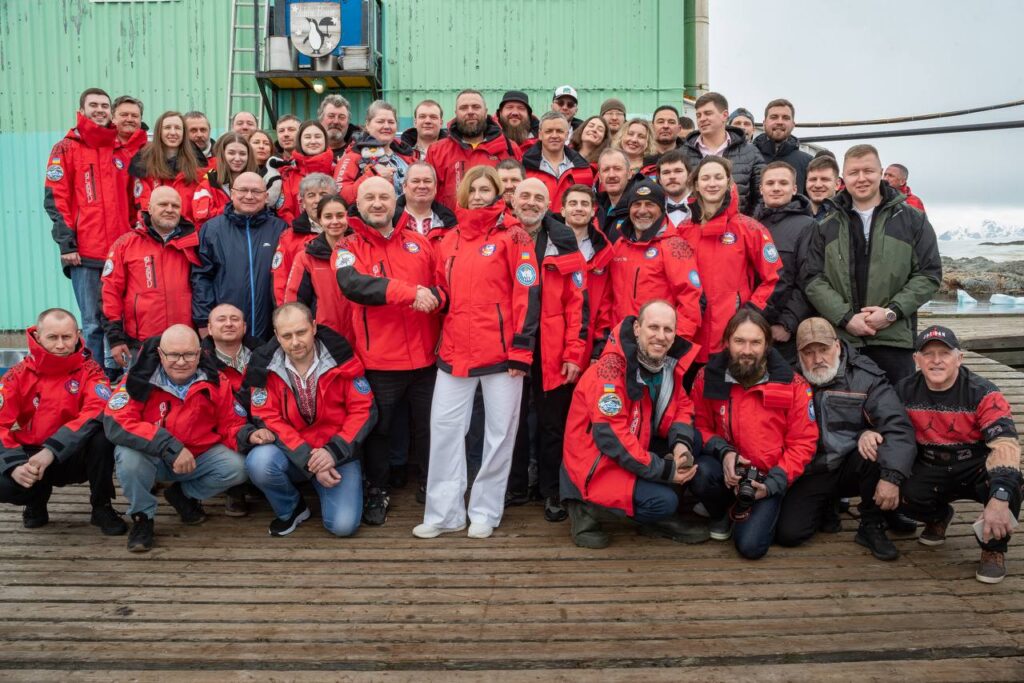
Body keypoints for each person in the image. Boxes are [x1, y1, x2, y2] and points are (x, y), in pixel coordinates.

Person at [413, 166, 540, 540]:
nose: (480, 196)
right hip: (455, 350)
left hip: (501, 353)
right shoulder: (449, 239)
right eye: (474, 189)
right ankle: (444, 513)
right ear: (463, 195)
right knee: (445, 430)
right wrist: (433, 298)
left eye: (487, 189)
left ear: (498, 193)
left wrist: (522, 348)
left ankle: (485, 510)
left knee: (499, 434)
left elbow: (527, 292)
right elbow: (444, 289)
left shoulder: (514, 236)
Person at [336, 178, 442, 525]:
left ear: (395, 201)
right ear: (358, 204)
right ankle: (377, 489)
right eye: (369, 197)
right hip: (379, 361)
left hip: (425, 358)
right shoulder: (347, 246)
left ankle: (430, 483)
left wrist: (437, 297)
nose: (378, 203)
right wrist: (408, 292)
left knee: (429, 428)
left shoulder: (419, 243)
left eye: (384, 196)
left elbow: (441, 285)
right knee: (379, 431)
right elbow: (352, 284)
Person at [561, 302, 707, 548]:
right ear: (637, 329)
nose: (661, 336)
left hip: (634, 445)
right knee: (664, 501)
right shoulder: (609, 370)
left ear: (675, 334)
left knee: (695, 442)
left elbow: (683, 407)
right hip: (596, 462)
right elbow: (611, 438)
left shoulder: (665, 364)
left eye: (668, 330)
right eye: (653, 327)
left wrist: (681, 446)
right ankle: (584, 508)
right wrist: (664, 470)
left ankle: (654, 516)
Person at [775, 318, 917, 559]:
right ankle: (826, 506)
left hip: (851, 465)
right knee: (789, 534)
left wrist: (891, 477)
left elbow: (898, 427)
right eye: (808, 352)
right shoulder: (786, 378)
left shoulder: (866, 377)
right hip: (810, 470)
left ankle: (872, 524)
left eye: (823, 349)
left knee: (876, 445)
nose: (817, 359)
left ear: (838, 346)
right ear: (798, 355)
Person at [104, 325, 253, 552]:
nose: (181, 362)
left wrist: (249, 435)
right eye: (173, 355)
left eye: (189, 354)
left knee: (239, 467)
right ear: (160, 353)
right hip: (153, 458)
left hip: (195, 458)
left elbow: (231, 423)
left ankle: (182, 494)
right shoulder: (139, 378)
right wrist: (169, 446)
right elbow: (116, 422)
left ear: (199, 353)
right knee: (128, 456)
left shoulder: (216, 380)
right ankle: (143, 517)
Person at [804, 144, 941, 384]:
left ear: (880, 172)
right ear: (843, 178)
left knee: (896, 405)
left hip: (894, 341)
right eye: (853, 172)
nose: (861, 178)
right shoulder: (826, 226)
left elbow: (929, 274)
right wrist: (846, 318)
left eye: (868, 171)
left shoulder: (912, 220)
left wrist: (891, 312)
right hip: (843, 340)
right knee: (844, 405)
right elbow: (813, 278)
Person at [896, 326, 1022, 584]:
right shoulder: (903, 390)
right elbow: (884, 423)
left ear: (959, 358)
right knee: (896, 490)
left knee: (1010, 484)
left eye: (944, 353)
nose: (936, 360)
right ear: (916, 359)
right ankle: (938, 516)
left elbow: (1005, 445)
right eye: (928, 354)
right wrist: (870, 432)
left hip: (975, 464)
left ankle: (993, 549)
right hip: (930, 462)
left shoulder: (984, 392)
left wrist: (999, 496)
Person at [689, 309, 818, 559]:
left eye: (755, 342)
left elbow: (803, 443)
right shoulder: (708, 376)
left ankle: (753, 510)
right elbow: (698, 426)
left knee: (751, 547)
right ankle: (721, 512)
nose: (747, 350)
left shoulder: (793, 385)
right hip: (725, 470)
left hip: (767, 478)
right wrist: (724, 452)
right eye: (739, 341)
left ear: (767, 345)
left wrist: (772, 485)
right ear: (727, 342)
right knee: (701, 471)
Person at [245, 303, 376, 537]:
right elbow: (267, 416)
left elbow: (363, 410)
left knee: (343, 526)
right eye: (287, 336)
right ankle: (292, 508)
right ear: (277, 336)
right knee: (259, 462)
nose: (295, 342)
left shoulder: (341, 358)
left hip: (337, 451)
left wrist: (332, 453)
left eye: (301, 332)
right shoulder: (264, 366)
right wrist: (310, 462)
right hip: (294, 452)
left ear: (314, 327)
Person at [0, 309, 126, 535]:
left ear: (77, 336)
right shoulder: (16, 375)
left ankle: (102, 506)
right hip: (33, 457)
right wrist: (13, 466)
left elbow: (95, 410)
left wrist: (52, 449)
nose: (60, 345)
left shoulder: (92, 371)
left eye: (66, 337)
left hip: (75, 455)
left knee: (103, 435)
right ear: (38, 336)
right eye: (52, 337)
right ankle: (36, 500)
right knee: (4, 480)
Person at [506, 179, 587, 522]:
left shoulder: (564, 241)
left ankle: (552, 489)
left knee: (553, 424)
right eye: (524, 196)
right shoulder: (500, 237)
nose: (531, 202)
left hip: (552, 348)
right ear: (513, 200)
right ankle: (514, 486)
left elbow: (577, 304)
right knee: (510, 421)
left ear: (549, 204)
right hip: (510, 345)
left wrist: (573, 353)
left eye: (538, 197)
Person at [45, 87, 132, 366]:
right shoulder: (65, 148)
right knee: (93, 323)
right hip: (85, 253)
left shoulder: (121, 151)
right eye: (93, 105)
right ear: (81, 111)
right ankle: (94, 378)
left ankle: (120, 377)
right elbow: (56, 198)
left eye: (105, 106)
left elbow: (133, 201)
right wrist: (66, 244)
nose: (99, 110)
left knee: (122, 319)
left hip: (120, 252)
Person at [676, 156, 781, 372]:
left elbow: (774, 277)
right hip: (690, 335)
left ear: (728, 182)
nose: (712, 183)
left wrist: (752, 312)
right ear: (696, 185)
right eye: (706, 178)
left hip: (733, 335)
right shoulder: (683, 230)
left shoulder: (749, 228)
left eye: (718, 177)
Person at [100, 186, 200, 375]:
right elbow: (110, 292)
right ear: (150, 208)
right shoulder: (125, 244)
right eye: (163, 204)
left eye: (175, 206)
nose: (169, 209)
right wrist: (115, 339)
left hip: (184, 347)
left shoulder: (193, 243)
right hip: (140, 346)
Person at [603, 179, 702, 346]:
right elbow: (607, 298)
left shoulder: (674, 245)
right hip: (620, 342)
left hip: (657, 344)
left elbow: (690, 300)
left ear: (661, 209)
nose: (642, 210)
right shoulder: (620, 245)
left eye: (649, 204)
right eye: (637, 204)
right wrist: (606, 338)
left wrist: (674, 344)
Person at [192, 172, 288, 340]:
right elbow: (201, 279)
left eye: (256, 191)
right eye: (243, 190)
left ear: (266, 196)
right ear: (232, 193)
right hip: (227, 330)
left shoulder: (280, 229)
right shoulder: (212, 229)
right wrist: (203, 322)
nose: (249, 196)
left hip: (272, 330)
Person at [200, 302, 262, 517]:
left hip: (260, 419)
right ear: (209, 328)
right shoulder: (197, 362)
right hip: (220, 429)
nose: (228, 324)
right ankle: (235, 490)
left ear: (244, 327)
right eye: (221, 319)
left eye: (235, 319)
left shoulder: (264, 355)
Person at [753, 161, 816, 364]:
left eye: (783, 183)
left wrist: (787, 322)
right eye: (770, 183)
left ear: (795, 189)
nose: (776, 188)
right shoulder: (749, 225)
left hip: (781, 333)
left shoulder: (808, 226)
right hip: (749, 325)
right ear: (761, 189)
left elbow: (809, 280)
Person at [425, 89, 520, 210]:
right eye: (464, 108)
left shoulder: (509, 148)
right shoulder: (437, 151)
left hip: (498, 221)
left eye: (476, 107)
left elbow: (520, 191)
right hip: (452, 221)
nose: (470, 112)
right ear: (456, 113)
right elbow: (428, 195)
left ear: (485, 112)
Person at [284, 194, 355, 343]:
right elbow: (294, 302)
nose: (334, 221)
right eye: (328, 216)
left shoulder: (362, 251)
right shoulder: (306, 257)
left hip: (361, 335)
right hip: (324, 337)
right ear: (320, 220)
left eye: (340, 215)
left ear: (347, 218)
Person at [681, 92, 765, 215]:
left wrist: (747, 223)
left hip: (740, 225)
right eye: (698, 115)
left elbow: (762, 196)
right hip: (695, 224)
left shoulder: (750, 152)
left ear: (724, 115)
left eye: (708, 113)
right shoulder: (683, 154)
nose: (702, 119)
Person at [561, 184, 614, 364]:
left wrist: (598, 351)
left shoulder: (603, 252)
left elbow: (605, 306)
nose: (578, 208)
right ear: (562, 210)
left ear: (593, 211)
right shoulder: (547, 245)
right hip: (552, 340)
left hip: (588, 343)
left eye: (584, 204)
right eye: (573, 203)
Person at [128, 110, 206, 225]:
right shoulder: (143, 163)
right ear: (159, 131)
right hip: (155, 230)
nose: (173, 132)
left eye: (178, 128)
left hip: (190, 231)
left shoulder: (199, 164)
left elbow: (203, 204)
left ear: (184, 133)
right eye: (167, 127)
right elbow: (143, 204)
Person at [272, 173, 338, 305]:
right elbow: (280, 281)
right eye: (311, 195)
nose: (317, 200)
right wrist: (285, 313)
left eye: (323, 194)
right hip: (305, 312)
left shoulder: (349, 233)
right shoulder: (289, 237)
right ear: (302, 202)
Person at [335, 100, 416, 203]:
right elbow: (341, 195)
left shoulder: (407, 155)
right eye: (380, 121)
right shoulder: (353, 156)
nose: (386, 126)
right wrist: (373, 176)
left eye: (391, 122)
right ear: (368, 125)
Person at [522, 112, 595, 213]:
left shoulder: (584, 169)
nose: (554, 135)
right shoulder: (524, 167)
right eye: (549, 131)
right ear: (540, 135)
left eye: (559, 131)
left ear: (567, 135)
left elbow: (591, 205)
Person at [276, 120, 336, 226]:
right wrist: (300, 230)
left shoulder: (337, 170)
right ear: (300, 141)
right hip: (300, 233)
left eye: (317, 136)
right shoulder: (288, 173)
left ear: (325, 140)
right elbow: (284, 212)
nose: (313, 141)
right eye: (307, 137)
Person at [192, 133, 257, 228]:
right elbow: (201, 222)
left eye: (242, 154)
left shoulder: (258, 184)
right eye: (231, 153)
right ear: (222, 155)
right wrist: (234, 206)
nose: (237, 158)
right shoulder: (207, 186)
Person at [754, 99, 813, 194]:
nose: (779, 122)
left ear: (793, 124)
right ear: (764, 123)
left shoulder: (808, 162)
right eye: (774, 117)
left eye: (785, 118)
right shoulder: (749, 157)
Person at [395, 162, 458, 242]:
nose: (422, 186)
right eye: (415, 181)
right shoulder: (390, 221)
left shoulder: (450, 223)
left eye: (427, 181)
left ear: (435, 187)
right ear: (404, 187)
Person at [594, 148, 633, 235]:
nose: (611, 175)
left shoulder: (638, 206)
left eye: (617, 169)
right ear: (599, 177)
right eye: (606, 170)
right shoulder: (596, 209)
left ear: (629, 174)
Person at [248, 129, 283, 211]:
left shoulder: (280, 171)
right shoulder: (239, 170)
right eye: (256, 142)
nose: (261, 146)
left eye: (266, 143)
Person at [656, 149, 691, 228]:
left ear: (689, 176)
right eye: (666, 172)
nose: (672, 176)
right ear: (660, 180)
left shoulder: (704, 205)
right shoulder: (654, 209)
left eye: (678, 171)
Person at [805, 154, 841, 220]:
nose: (818, 185)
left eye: (825, 179)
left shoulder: (848, 218)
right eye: (813, 179)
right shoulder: (793, 215)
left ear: (837, 184)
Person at [112, 95, 147, 160]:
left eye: (134, 116)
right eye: (124, 115)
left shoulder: (152, 151)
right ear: (113, 118)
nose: (129, 119)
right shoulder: (101, 148)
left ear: (141, 119)